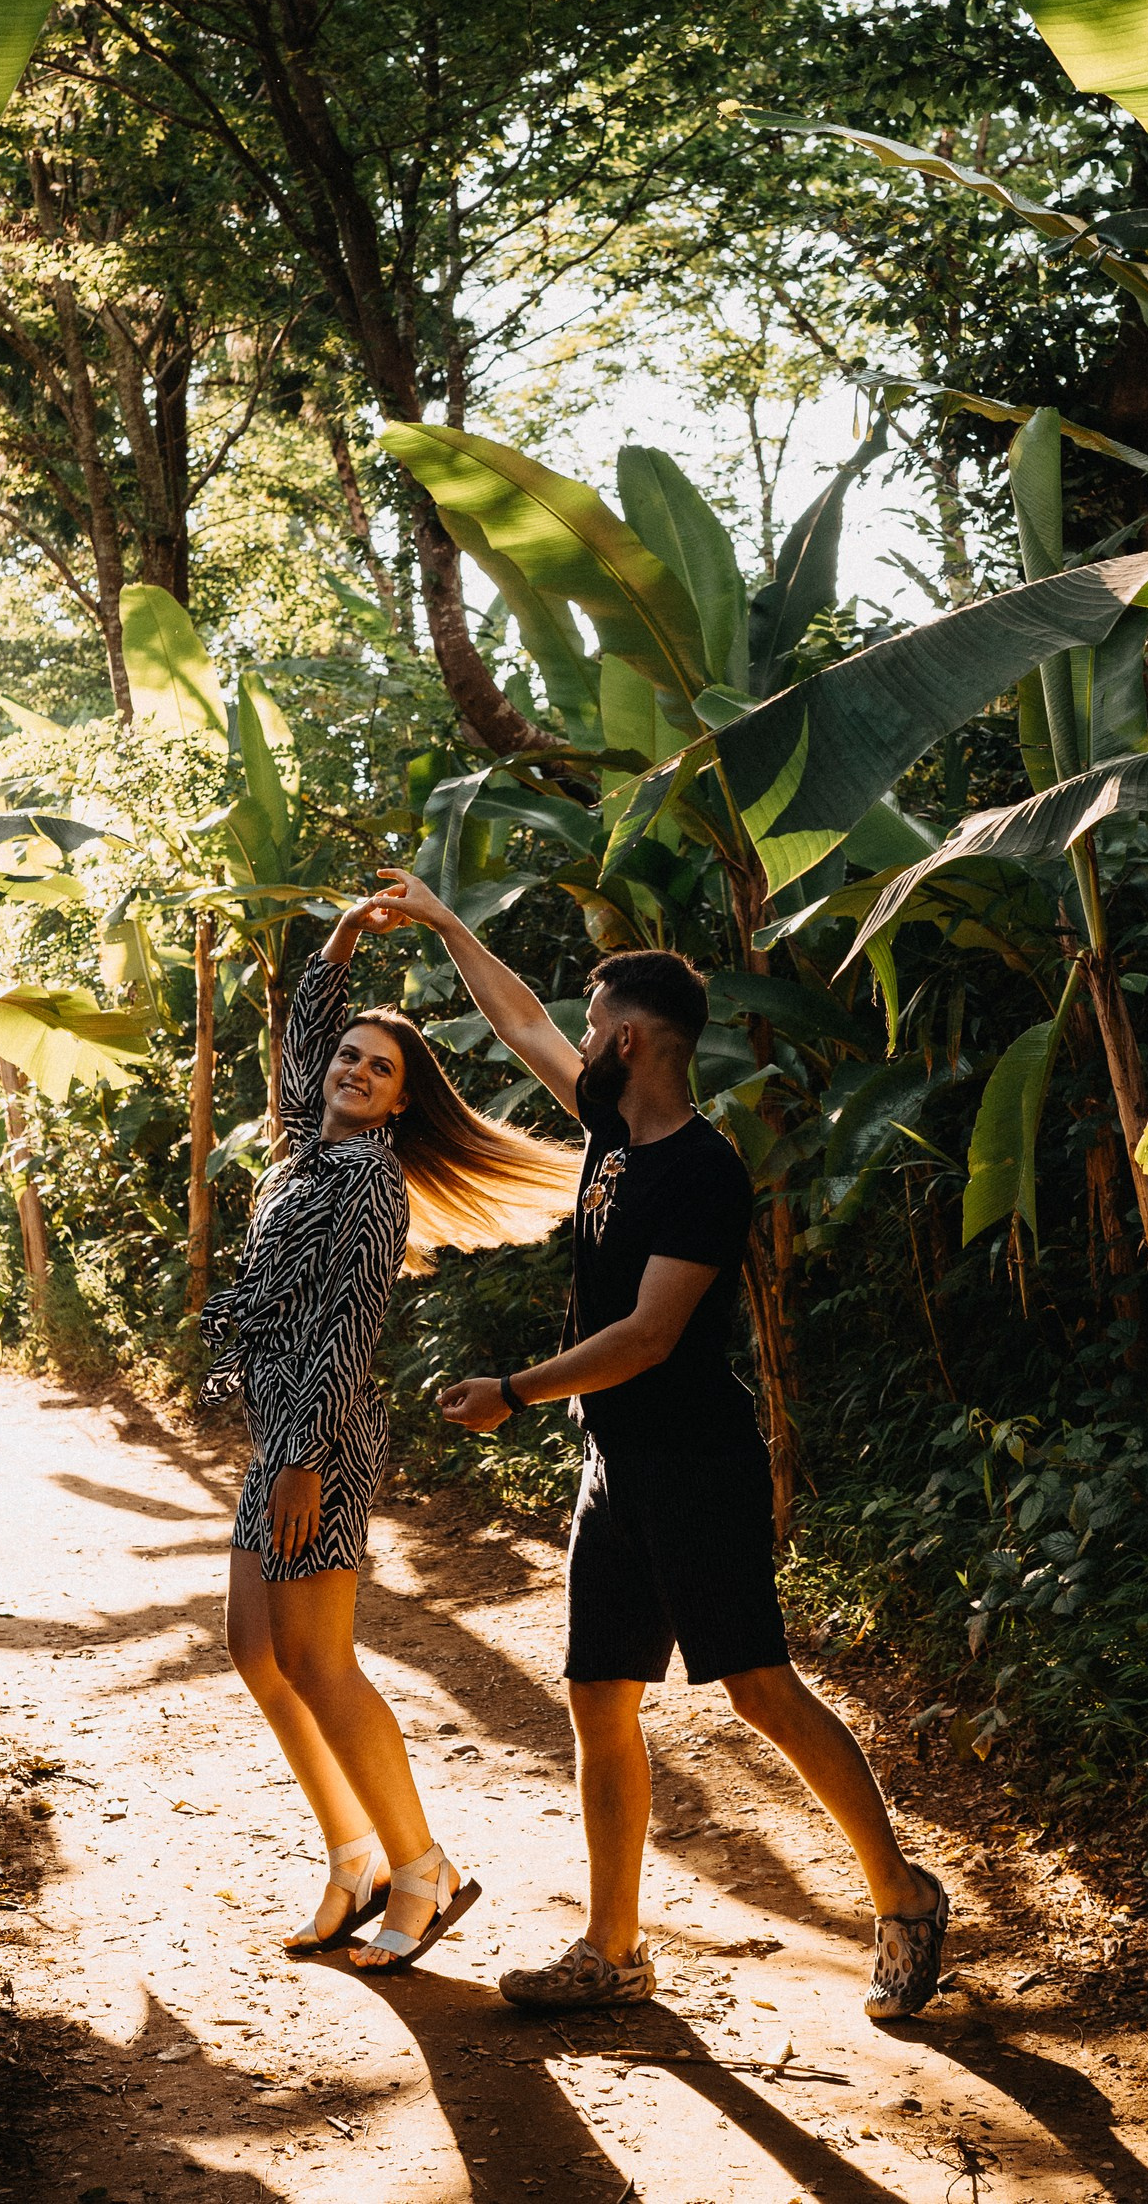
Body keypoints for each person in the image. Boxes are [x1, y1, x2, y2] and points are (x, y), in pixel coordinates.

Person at [372, 867, 950, 2023]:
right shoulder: (610, 1126)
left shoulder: (702, 1170)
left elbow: (645, 1335)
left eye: (594, 1030)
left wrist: (514, 1391)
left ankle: (901, 1894)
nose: (576, 1042)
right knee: (598, 1697)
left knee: (757, 1691)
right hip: (615, 1467)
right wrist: (444, 922)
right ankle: (614, 1949)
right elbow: (523, 1020)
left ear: (630, 1042)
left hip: (695, 1462)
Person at [204, 892, 578, 1972]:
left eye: (380, 1068)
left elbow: (348, 1323)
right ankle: (354, 1855)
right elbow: (297, 1040)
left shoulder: (369, 1182)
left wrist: (300, 1455)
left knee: (317, 1661)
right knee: (256, 1653)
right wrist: (344, 939)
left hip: (312, 1442)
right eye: (351, 1057)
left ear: (399, 1104)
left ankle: (424, 1868)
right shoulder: (297, 1149)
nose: (355, 1070)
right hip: (276, 1430)